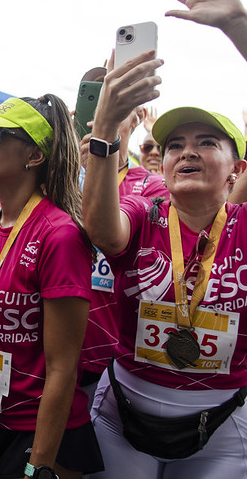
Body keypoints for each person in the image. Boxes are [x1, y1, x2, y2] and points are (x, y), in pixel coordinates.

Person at [84, 0, 247, 478]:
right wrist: (108, 122)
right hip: (122, 414)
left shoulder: (246, 224)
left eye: (206, 143)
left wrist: (238, 25)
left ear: (237, 169)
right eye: (174, 144)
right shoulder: (146, 212)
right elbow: (100, 229)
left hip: (224, 423)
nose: (186, 152)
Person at [0, 95, 104, 479]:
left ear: (34, 156)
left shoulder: (59, 235)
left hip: (38, 427)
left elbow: (63, 366)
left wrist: (39, 466)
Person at [78, 101, 167, 406]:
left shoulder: (152, 186)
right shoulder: (59, 180)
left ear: (137, 118)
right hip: (54, 351)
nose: (101, 118)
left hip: (120, 359)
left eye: (115, 107)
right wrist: (73, 179)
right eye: (94, 108)